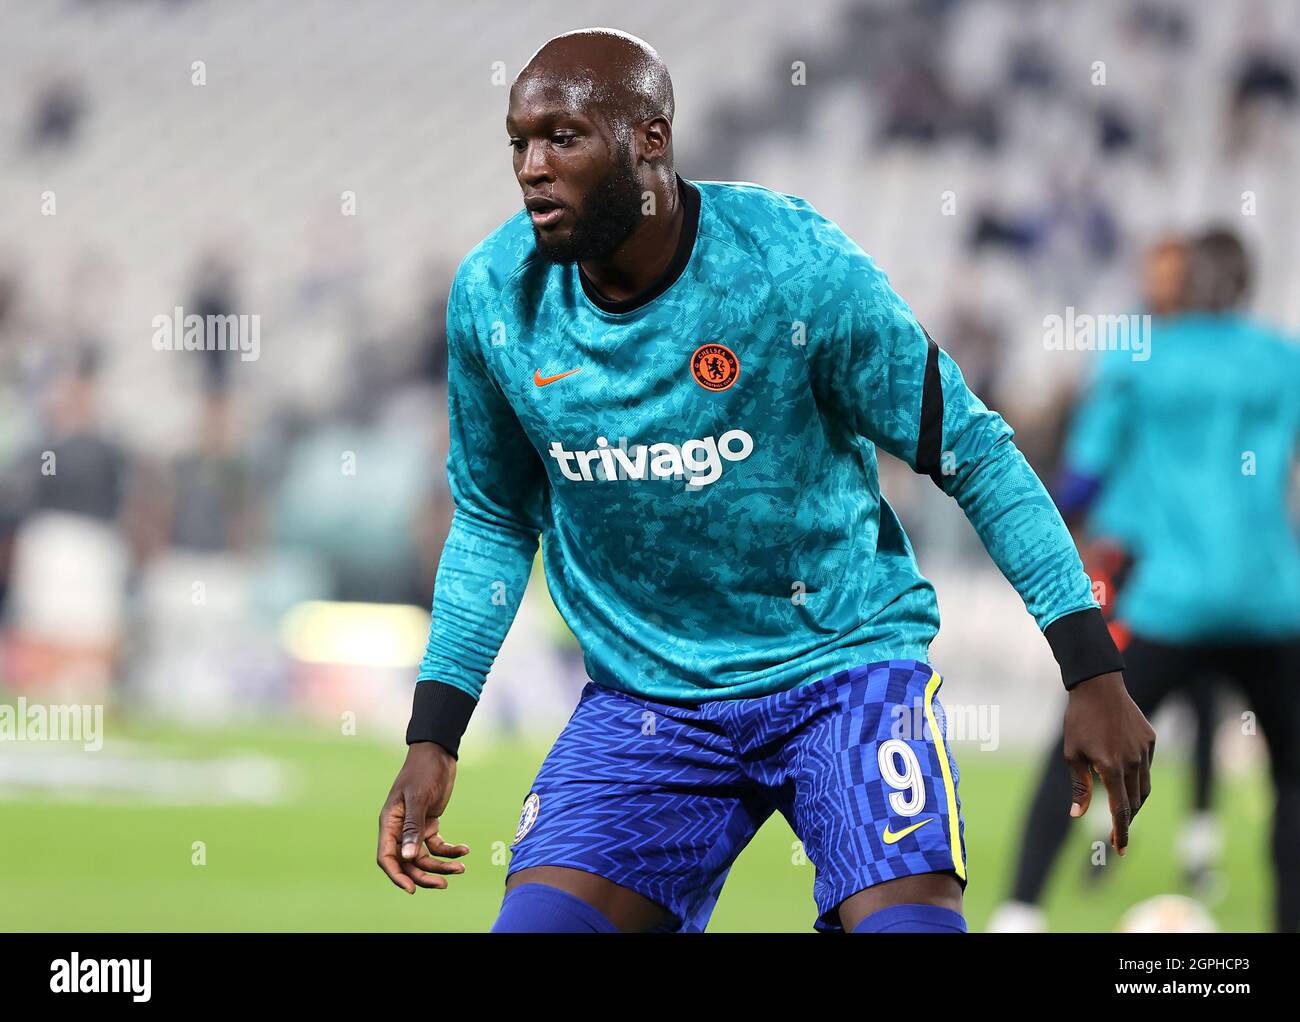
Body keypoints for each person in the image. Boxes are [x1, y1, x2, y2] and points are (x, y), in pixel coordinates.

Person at [375, 28, 1153, 933]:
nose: (533, 168)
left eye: (564, 138)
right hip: (646, 697)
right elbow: (494, 518)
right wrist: (435, 729)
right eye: (520, 142)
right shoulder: (493, 299)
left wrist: (1090, 666)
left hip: (843, 672)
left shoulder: (793, 270)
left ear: (649, 140)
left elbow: (974, 453)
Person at [993, 228, 1300, 932]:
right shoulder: (1285, 361)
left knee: (1081, 742)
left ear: (1181, 285)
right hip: (1274, 601)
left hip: (1170, 599)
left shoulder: (1138, 359)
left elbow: (1081, 480)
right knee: (1292, 778)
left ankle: (1020, 913)